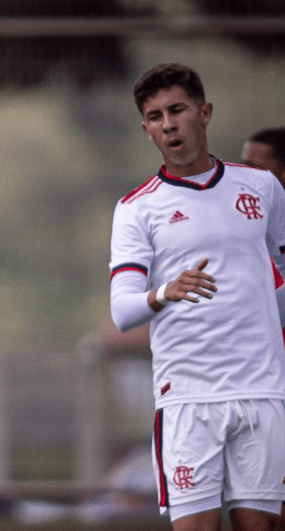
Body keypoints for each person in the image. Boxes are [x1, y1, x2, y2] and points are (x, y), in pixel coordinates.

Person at [108, 63, 285, 531]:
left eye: (177, 109)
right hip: (188, 398)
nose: (168, 123)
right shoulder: (136, 209)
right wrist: (166, 292)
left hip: (262, 389)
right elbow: (123, 310)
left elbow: (282, 270)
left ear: (204, 113)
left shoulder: (262, 187)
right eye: (154, 116)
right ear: (146, 129)